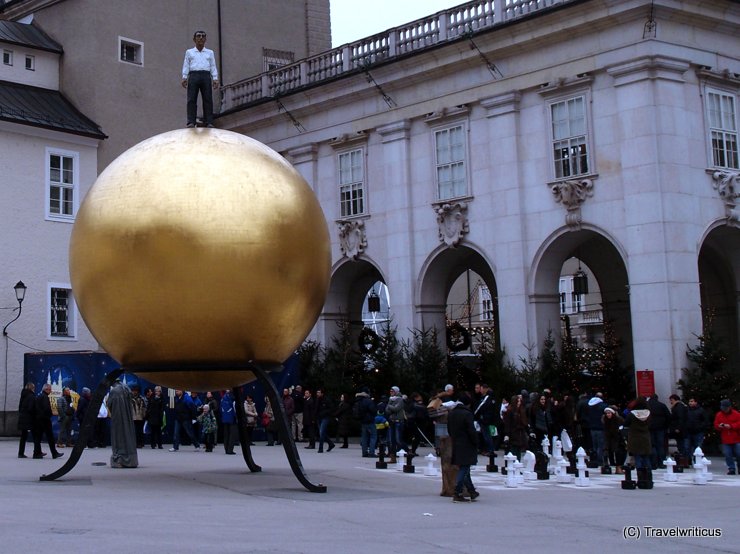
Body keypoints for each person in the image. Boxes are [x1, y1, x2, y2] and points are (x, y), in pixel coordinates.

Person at [181, 30, 219, 128]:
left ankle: (209, 121)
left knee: (207, 99)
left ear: (205, 39)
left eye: (203, 36)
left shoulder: (210, 53)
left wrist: (215, 78)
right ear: (194, 39)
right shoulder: (189, 52)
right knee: (191, 99)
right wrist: (184, 77)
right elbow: (186, 64)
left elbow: (213, 65)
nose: (201, 38)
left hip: (206, 75)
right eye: (198, 36)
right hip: (193, 75)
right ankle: (191, 121)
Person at [447, 393, 479, 503]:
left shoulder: (451, 413)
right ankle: (457, 492)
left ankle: (472, 491)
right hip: (467, 444)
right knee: (464, 468)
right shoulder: (467, 414)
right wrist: (476, 441)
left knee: (465, 468)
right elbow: (471, 430)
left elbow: (449, 430)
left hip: (456, 442)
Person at [108, 381, 138, 468]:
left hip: (118, 417)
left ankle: (120, 459)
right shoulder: (127, 389)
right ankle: (132, 460)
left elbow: (110, 404)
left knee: (118, 437)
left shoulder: (114, 391)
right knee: (128, 436)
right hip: (128, 417)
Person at [626, 397, 652, 488]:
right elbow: (650, 424)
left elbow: (626, 423)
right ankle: (648, 477)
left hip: (635, 437)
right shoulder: (648, 413)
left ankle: (640, 479)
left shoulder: (632, 414)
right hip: (645, 437)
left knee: (638, 458)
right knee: (646, 457)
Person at [33, 383, 63, 460]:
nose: (51, 390)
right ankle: (54, 453)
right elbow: (46, 408)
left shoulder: (39, 396)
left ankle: (36, 453)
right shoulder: (45, 397)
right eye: (49, 389)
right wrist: (50, 414)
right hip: (45, 420)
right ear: (46, 389)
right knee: (50, 437)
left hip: (38, 420)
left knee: (38, 437)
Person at [714, 399, 740, 475]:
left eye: (725, 408)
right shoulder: (719, 415)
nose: (724, 410)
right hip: (726, 438)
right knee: (728, 454)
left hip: (736, 438)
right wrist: (719, 426)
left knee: (739, 454)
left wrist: (731, 426)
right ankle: (731, 468)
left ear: (729, 407)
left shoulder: (736, 414)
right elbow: (716, 424)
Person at [646, 393, 671, 469]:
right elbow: (668, 416)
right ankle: (661, 462)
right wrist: (666, 426)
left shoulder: (647, 405)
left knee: (652, 445)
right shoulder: (662, 405)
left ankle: (653, 463)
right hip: (661, 428)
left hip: (650, 428)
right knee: (660, 445)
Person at [474, 384, 498, 456]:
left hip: (485, 418)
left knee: (486, 434)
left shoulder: (487, 397)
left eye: (481, 388)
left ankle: (490, 449)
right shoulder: (491, 397)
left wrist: (475, 414)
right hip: (489, 418)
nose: (480, 390)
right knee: (486, 434)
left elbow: (480, 406)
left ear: (485, 389)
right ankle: (487, 449)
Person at [503, 394, 528, 460]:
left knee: (518, 450)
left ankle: (518, 463)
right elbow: (507, 424)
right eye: (518, 401)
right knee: (513, 450)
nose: (519, 403)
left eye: (520, 401)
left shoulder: (521, 410)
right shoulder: (510, 411)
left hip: (519, 433)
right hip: (513, 433)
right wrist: (507, 434)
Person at [354, 387, 377, 457]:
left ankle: (364, 452)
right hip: (370, 420)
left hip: (362, 421)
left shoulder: (358, 400)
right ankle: (371, 452)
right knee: (373, 436)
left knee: (364, 437)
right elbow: (373, 410)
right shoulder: (368, 401)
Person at [602, 406, 625, 473]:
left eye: (609, 413)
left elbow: (622, 428)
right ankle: (616, 467)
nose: (608, 415)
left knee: (620, 453)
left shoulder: (619, 419)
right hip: (610, 439)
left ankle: (619, 467)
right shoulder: (606, 421)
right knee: (610, 453)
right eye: (607, 413)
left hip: (619, 439)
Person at [385, 386, 407, 457]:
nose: (391, 392)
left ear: (396, 392)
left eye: (392, 391)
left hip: (398, 421)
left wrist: (389, 406)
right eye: (390, 391)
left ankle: (401, 452)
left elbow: (396, 408)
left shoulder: (400, 399)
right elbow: (386, 410)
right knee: (392, 440)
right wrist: (391, 407)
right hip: (392, 421)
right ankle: (393, 455)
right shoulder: (390, 399)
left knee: (398, 439)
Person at [17, 383, 36, 458]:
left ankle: (20, 453)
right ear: (32, 388)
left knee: (23, 436)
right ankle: (37, 451)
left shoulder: (23, 395)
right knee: (36, 435)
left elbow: (20, 407)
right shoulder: (31, 396)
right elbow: (31, 408)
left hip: (22, 418)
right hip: (29, 419)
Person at [668, 393, 689, 459]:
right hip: (680, 429)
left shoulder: (678, 407)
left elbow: (680, 418)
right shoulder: (679, 406)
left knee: (681, 444)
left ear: (674, 400)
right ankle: (685, 458)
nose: (670, 402)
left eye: (671, 400)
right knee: (681, 444)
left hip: (680, 430)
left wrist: (678, 428)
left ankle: (685, 459)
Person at [316, 388, 336, 453]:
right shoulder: (317, 400)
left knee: (321, 433)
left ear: (322, 393)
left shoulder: (327, 400)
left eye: (319, 392)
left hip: (325, 417)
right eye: (317, 392)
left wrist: (324, 412)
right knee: (322, 433)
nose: (317, 394)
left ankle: (320, 448)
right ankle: (331, 444)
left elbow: (331, 408)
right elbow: (315, 409)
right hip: (319, 417)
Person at [220, 390, 236, 455]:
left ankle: (226, 449)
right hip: (232, 418)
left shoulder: (222, 399)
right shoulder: (233, 399)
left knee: (226, 434)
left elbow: (221, 409)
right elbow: (235, 409)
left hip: (224, 418)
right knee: (232, 434)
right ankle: (230, 450)